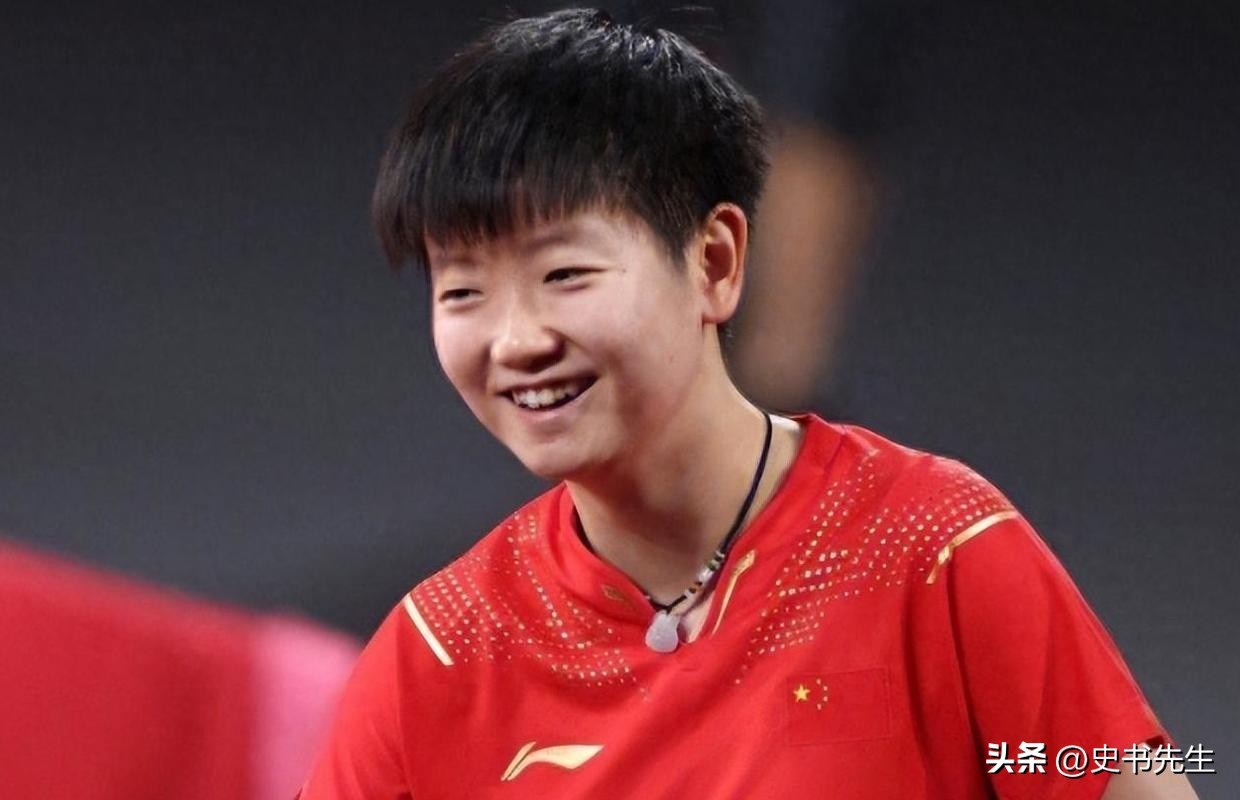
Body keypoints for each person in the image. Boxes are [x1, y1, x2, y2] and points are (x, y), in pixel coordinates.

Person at [301, 9, 1196, 798]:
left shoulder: (934, 549)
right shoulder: (436, 652)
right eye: (463, 292)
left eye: (564, 274)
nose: (514, 339)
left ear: (716, 262)